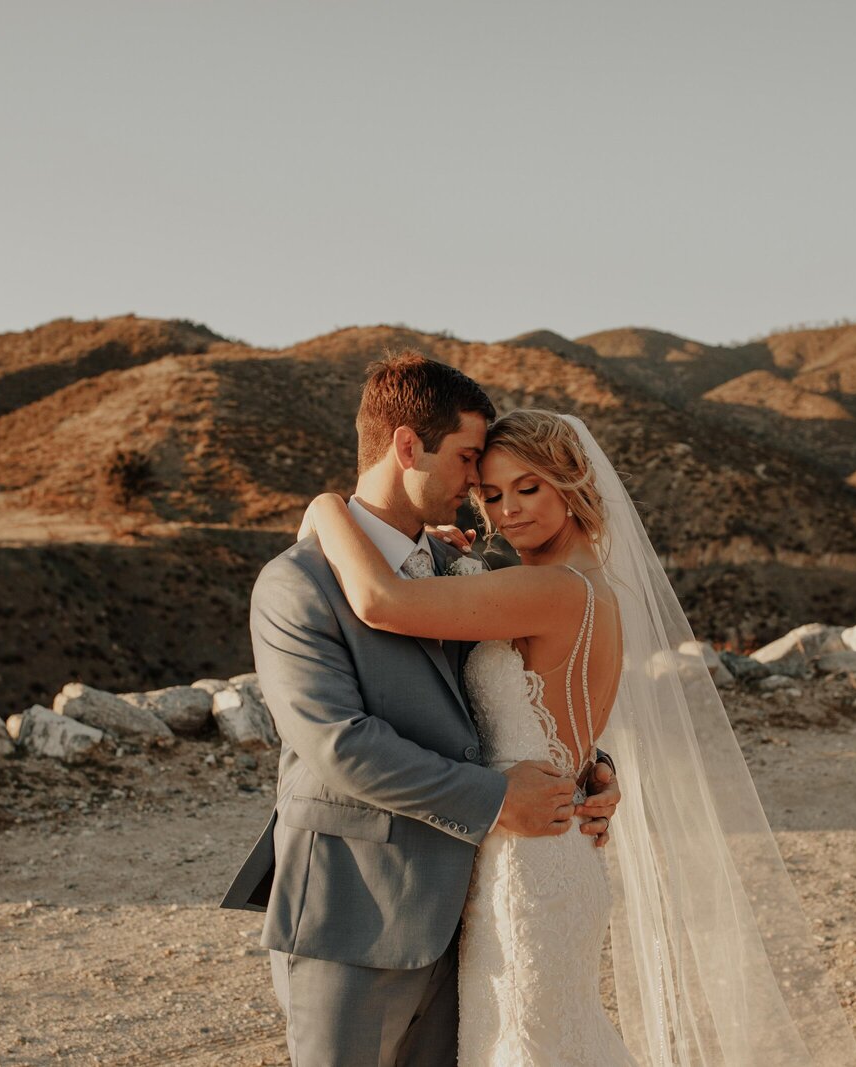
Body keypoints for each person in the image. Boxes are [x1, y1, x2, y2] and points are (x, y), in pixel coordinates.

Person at [300, 408, 856, 1066]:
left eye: (529, 488)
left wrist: (323, 508)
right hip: (554, 842)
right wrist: (596, 770)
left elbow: (383, 602)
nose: (507, 511)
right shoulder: (588, 583)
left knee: (524, 1046)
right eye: (491, 494)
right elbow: (552, 725)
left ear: (571, 484)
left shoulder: (552, 588)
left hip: (528, 866)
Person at [219, 354, 621, 1067]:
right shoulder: (298, 582)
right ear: (409, 447)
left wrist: (588, 767)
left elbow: (529, 691)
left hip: (471, 912)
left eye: (513, 485)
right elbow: (340, 745)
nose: (479, 488)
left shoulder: (465, 573)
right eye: (471, 461)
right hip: (354, 912)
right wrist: (500, 798)